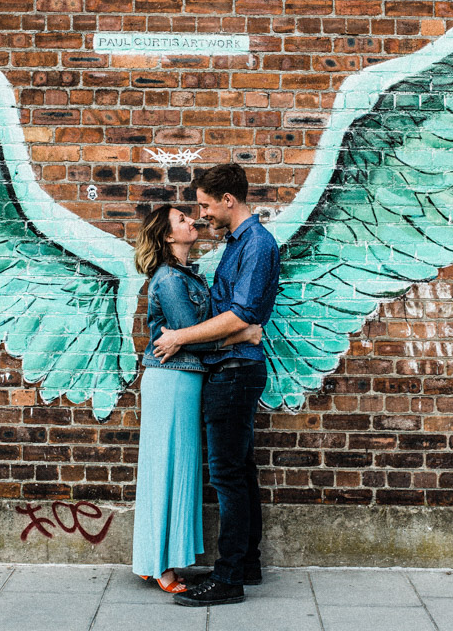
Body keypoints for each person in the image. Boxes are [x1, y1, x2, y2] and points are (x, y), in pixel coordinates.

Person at [152, 164, 280, 608]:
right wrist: (242, 331)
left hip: (234, 372)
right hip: (231, 365)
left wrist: (179, 337)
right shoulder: (238, 244)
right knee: (240, 472)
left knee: (226, 475)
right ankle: (245, 564)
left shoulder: (258, 245)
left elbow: (241, 315)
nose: (202, 214)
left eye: (206, 205)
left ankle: (228, 579)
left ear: (229, 200)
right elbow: (239, 321)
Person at [131, 204, 261, 594]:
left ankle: (158, 559)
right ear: (169, 236)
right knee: (165, 470)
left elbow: (189, 338)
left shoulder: (188, 276)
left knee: (181, 471)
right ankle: (158, 567)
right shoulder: (170, 280)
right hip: (169, 383)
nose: (193, 221)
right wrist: (244, 335)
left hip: (186, 382)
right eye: (182, 220)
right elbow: (194, 335)